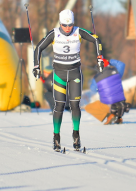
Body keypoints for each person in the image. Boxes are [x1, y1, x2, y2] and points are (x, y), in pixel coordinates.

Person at [33, 9, 103, 151]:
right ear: (60, 24)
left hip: (75, 74)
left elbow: (96, 40)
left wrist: (100, 58)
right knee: (59, 105)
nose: (67, 28)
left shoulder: (78, 32)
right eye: (64, 25)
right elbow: (39, 47)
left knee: (75, 105)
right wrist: (36, 66)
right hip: (59, 74)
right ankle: (56, 137)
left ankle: (76, 136)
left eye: (70, 25)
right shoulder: (54, 33)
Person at [91, 58, 129, 125]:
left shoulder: (97, 77)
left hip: (106, 100)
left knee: (107, 101)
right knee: (117, 100)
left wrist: (100, 89)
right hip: (120, 97)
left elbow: (93, 89)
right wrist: (110, 61)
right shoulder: (116, 72)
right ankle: (119, 117)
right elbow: (121, 64)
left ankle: (111, 115)